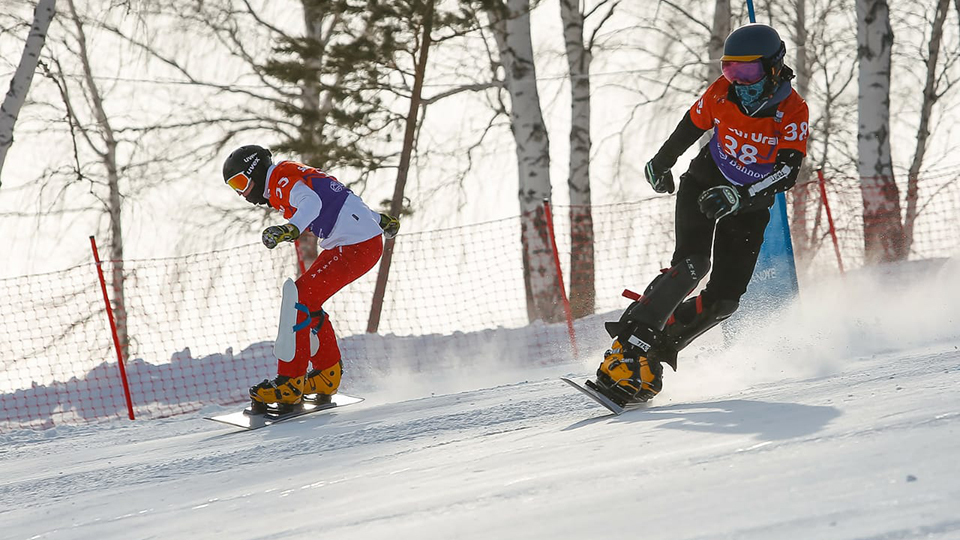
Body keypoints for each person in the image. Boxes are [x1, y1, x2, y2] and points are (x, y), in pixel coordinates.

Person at [593, 23, 809, 406]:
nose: (739, 81)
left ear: (774, 68)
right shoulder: (721, 93)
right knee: (692, 264)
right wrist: (662, 162)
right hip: (704, 182)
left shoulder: (792, 110)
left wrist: (741, 196)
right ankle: (628, 345)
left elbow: (787, 172)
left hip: (748, 204)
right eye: (730, 69)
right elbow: (691, 126)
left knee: (725, 301)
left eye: (749, 71)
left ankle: (651, 355)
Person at [221, 145, 400, 412]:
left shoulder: (280, 180)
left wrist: (291, 229)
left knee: (299, 299)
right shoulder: (290, 173)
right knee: (307, 300)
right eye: (235, 188)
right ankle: (326, 374)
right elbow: (337, 196)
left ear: (255, 171)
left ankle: (290, 383)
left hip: (355, 246)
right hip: (355, 242)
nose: (242, 193)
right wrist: (378, 219)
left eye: (241, 183)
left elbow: (312, 203)